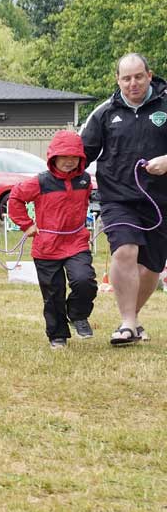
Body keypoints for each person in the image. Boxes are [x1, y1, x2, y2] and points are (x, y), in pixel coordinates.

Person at [81, 53, 167, 345]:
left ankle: (133, 319)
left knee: (152, 267)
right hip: (118, 198)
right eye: (126, 78)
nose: (133, 83)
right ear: (118, 80)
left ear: (149, 75)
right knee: (125, 251)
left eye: (138, 76)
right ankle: (127, 323)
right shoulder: (104, 113)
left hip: (160, 201)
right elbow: (80, 153)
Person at [7, 131, 97, 347]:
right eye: (64, 156)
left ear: (81, 158)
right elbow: (15, 198)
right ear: (53, 157)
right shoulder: (41, 182)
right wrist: (27, 225)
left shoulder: (84, 180)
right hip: (47, 246)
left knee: (85, 281)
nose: (69, 161)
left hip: (76, 241)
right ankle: (57, 335)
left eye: (74, 157)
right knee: (53, 292)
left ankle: (77, 314)